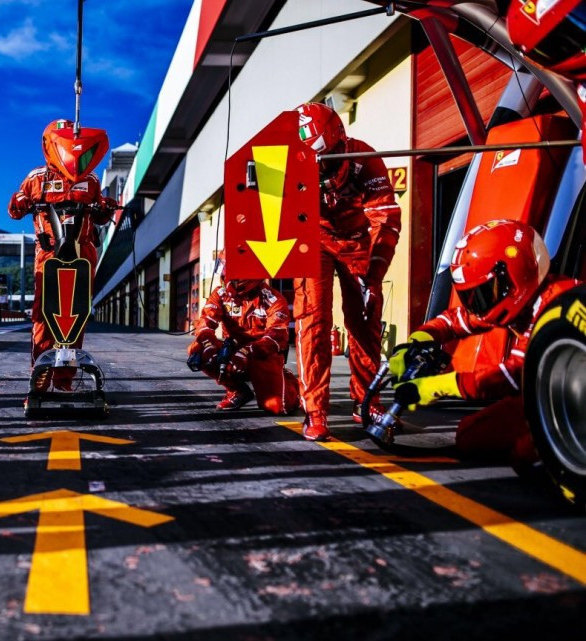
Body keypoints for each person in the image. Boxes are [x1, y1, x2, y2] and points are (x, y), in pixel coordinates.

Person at [391, 220, 579, 470]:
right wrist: (417, 341)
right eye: (471, 297)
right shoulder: (526, 301)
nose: (477, 306)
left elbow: (514, 375)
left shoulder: (556, 304)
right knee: (471, 436)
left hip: (571, 400)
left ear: (517, 271)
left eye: (483, 293)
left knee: (525, 454)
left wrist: (439, 386)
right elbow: (454, 320)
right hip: (554, 394)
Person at [292, 102, 401, 441]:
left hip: (356, 242)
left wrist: (374, 273)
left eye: (327, 162)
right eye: (316, 166)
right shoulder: (291, 164)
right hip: (312, 239)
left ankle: (367, 402)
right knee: (313, 321)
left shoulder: (366, 160)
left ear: (341, 139)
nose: (323, 174)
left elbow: (386, 220)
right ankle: (315, 410)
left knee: (365, 319)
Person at [8, 119, 117, 389]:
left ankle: (65, 377)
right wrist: (20, 201)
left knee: (77, 312)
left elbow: (102, 214)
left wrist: (106, 207)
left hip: (82, 252)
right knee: (43, 314)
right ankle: (41, 372)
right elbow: (14, 210)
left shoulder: (90, 180)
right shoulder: (36, 179)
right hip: (48, 254)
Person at [187, 258, 299, 415]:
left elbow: (277, 336)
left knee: (278, 407)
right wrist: (208, 343)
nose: (227, 279)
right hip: (232, 350)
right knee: (198, 349)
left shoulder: (274, 299)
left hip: (262, 354)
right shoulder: (220, 294)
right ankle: (237, 391)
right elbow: (205, 322)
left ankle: (289, 381)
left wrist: (248, 351)